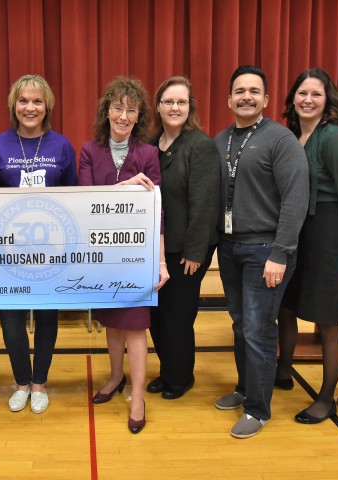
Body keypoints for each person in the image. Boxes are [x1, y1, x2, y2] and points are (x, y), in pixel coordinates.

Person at [212, 65, 309, 438]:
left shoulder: (280, 140)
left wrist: (281, 253)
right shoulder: (220, 141)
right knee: (240, 323)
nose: (246, 96)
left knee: (257, 328)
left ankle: (258, 409)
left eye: (254, 91)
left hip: (266, 249)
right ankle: (244, 388)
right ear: (229, 99)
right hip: (231, 246)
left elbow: (296, 199)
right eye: (240, 91)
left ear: (266, 100)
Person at [275, 68, 338, 424]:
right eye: (302, 93)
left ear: (327, 100)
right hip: (294, 231)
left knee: (328, 319)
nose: (308, 100)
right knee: (285, 306)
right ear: (292, 98)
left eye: (316, 94)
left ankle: (326, 398)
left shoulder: (334, 138)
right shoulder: (290, 136)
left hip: (327, 233)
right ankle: (283, 371)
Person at [78, 76, 169, 434]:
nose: (123, 115)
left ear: (139, 116)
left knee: (135, 327)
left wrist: (160, 261)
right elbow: (85, 198)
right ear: (107, 111)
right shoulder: (88, 150)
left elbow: (158, 212)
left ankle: (137, 396)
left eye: (131, 110)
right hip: (102, 255)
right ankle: (115, 377)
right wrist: (126, 185)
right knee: (111, 323)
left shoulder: (148, 154)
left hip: (136, 255)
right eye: (118, 107)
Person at [0, 74, 77, 414]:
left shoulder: (62, 146)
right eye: (24, 101)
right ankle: (21, 382)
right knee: (11, 321)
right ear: (14, 105)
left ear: (47, 107)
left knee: (46, 318)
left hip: (50, 252)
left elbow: (73, 199)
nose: (30, 107)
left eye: (37, 101)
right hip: (8, 253)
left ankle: (39, 382)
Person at [147, 76, 221, 400]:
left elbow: (204, 203)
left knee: (178, 317)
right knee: (156, 316)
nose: (174, 107)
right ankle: (167, 371)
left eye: (181, 102)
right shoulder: (150, 145)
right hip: (156, 248)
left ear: (190, 107)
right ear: (158, 106)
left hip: (187, 251)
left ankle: (180, 378)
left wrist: (195, 252)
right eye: (168, 101)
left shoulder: (200, 145)